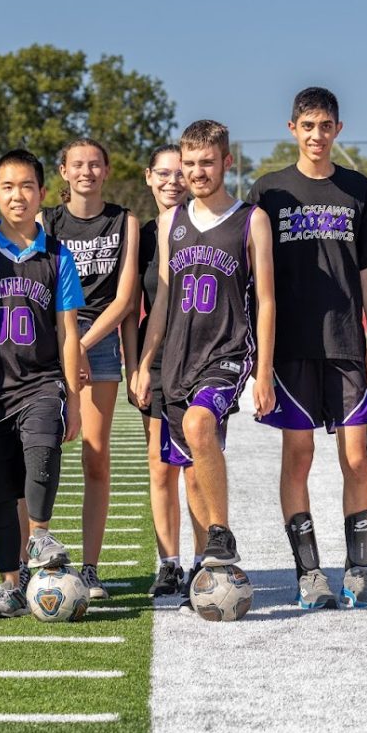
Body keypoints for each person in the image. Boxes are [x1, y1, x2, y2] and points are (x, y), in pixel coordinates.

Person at [249, 87, 367, 610]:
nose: (316, 135)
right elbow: (258, 277)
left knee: (356, 456)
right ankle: (310, 574)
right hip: (291, 346)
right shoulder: (270, 190)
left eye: (325, 125)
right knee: (299, 454)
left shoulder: (357, 188)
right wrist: (260, 362)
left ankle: (358, 573)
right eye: (307, 125)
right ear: (293, 130)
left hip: (348, 343)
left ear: (338, 130)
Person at [135, 120, 275, 608]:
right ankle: (204, 567)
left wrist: (264, 370)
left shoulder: (251, 219)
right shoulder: (171, 223)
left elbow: (268, 300)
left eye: (206, 162)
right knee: (191, 469)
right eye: (189, 163)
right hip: (177, 358)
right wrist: (145, 361)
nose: (196, 172)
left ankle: (221, 534)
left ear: (226, 162)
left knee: (200, 424)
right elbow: (164, 302)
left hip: (227, 351)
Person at [0, 149, 85, 617]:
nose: (18, 195)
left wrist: (72, 395)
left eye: (27, 186)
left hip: (40, 382)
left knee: (43, 450)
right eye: (8, 187)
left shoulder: (58, 255)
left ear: (42, 194)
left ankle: (38, 536)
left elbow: (70, 332)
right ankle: (9, 585)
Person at [40, 139, 139, 599]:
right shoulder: (47, 222)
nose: (86, 171)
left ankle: (91, 568)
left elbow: (123, 300)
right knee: (40, 451)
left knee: (95, 456)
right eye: (77, 164)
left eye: (94, 163)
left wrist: (79, 346)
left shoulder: (125, 221)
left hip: (96, 341)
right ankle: (32, 561)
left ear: (107, 169)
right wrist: (65, 346)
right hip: (50, 336)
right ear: (63, 171)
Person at [121, 144, 200, 598]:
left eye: (180, 173)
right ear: (148, 176)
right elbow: (132, 309)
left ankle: (202, 559)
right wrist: (137, 367)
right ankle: (168, 564)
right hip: (158, 357)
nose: (173, 182)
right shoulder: (144, 234)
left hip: (202, 355)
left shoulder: (208, 225)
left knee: (196, 464)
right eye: (163, 174)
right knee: (160, 466)